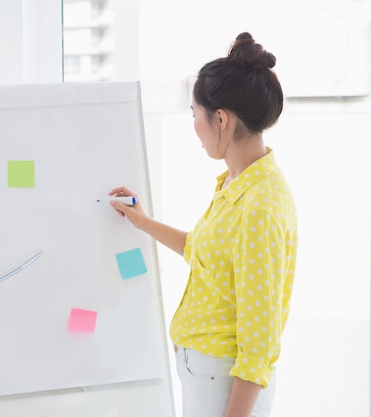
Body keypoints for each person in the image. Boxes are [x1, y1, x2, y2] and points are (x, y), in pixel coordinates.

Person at [109, 33, 297, 417]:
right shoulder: (237, 183)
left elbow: (259, 343)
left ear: (222, 119)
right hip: (207, 375)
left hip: (223, 386)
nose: (194, 124)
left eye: (195, 114)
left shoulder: (259, 204)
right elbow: (203, 250)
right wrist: (143, 221)